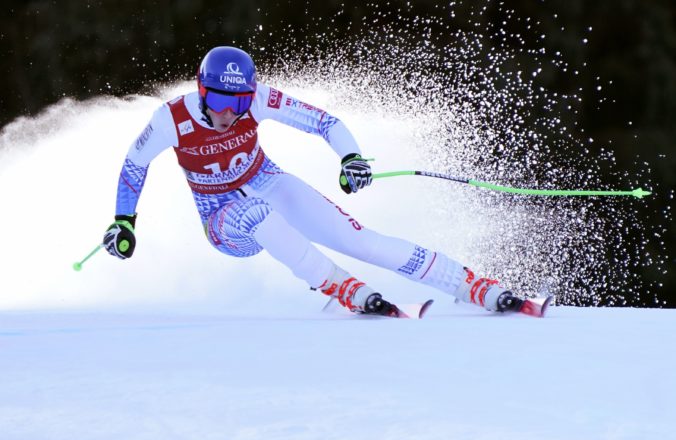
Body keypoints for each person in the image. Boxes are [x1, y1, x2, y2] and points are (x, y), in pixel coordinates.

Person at [103, 46, 525, 316]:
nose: (229, 112)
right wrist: (124, 220)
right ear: (201, 91)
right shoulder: (170, 119)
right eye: (218, 100)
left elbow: (324, 122)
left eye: (239, 102)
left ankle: (472, 286)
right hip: (221, 218)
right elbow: (134, 165)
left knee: (360, 240)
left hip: (267, 180)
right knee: (257, 213)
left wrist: (351, 156)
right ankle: (341, 286)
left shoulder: (261, 100)